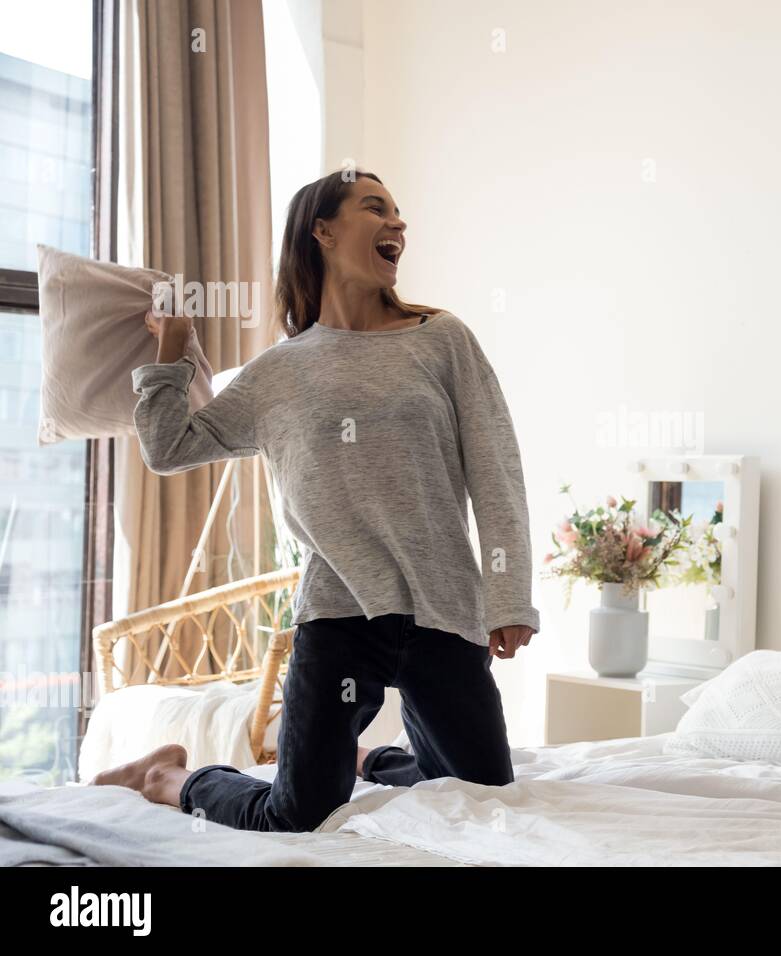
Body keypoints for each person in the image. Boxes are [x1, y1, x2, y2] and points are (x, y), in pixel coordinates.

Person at [93, 170, 539, 832]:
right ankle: (167, 776)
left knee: (478, 793)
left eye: (399, 212)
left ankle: (365, 759)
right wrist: (173, 355)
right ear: (323, 231)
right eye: (375, 208)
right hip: (338, 618)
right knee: (297, 812)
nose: (398, 223)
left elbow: (495, 470)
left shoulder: (442, 339)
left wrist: (508, 597)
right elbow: (168, 448)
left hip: (443, 611)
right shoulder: (281, 372)